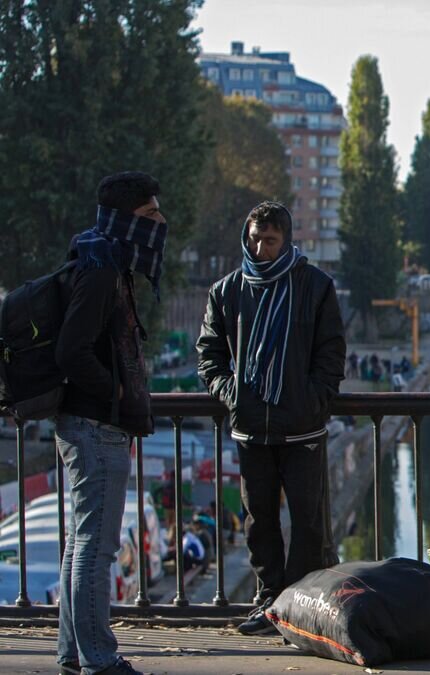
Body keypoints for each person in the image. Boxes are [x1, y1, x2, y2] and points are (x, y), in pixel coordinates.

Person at [196, 201, 346, 636]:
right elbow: (209, 354)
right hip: (251, 429)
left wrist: (313, 399)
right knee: (259, 520)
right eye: (255, 239)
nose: (260, 248)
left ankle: (302, 605)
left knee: (307, 521)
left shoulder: (315, 286)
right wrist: (231, 394)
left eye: (270, 240)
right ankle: (268, 604)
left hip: (302, 426)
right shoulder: (227, 290)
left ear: (287, 241)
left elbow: (331, 352)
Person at [55, 171, 166, 675]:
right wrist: (117, 391)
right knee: (96, 549)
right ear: (126, 219)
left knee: (82, 545)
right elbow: (72, 350)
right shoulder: (100, 268)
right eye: (150, 214)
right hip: (95, 425)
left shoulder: (102, 258)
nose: (160, 223)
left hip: (90, 423)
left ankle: (74, 656)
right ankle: (99, 658)